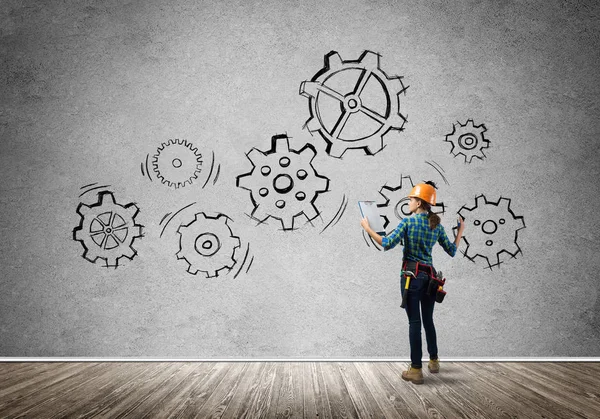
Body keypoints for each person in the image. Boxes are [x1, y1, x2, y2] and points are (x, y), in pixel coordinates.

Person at [361, 181, 465, 384]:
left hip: (411, 277)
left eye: (411, 199)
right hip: (431, 279)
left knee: (414, 323)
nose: (409, 202)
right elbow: (452, 251)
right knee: (428, 321)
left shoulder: (408, 223)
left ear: (419, 202)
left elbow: (387, 243)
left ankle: (416, 369)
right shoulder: (436, 225)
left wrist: (367, 228)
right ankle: (434, 361)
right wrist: (460, 231)